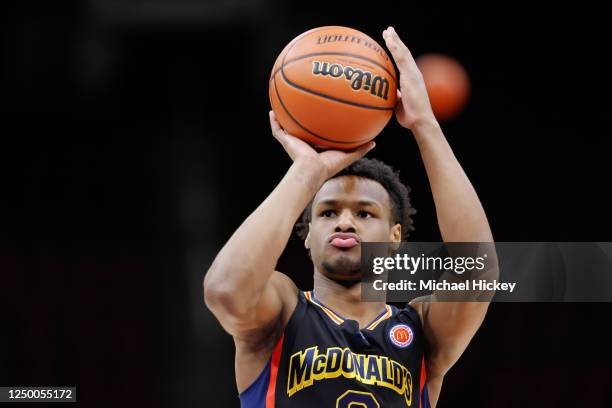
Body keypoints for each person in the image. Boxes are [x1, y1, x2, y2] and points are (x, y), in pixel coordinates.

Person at [204, 26, 495, 407]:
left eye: (364, 212)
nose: (345, 221)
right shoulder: (282, 312)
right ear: (307, 235)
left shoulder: (420, 329)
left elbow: (475, 270)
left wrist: (425, 126)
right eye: (327, 212)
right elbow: (225, 291)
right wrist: (307, 173)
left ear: (394, 236)